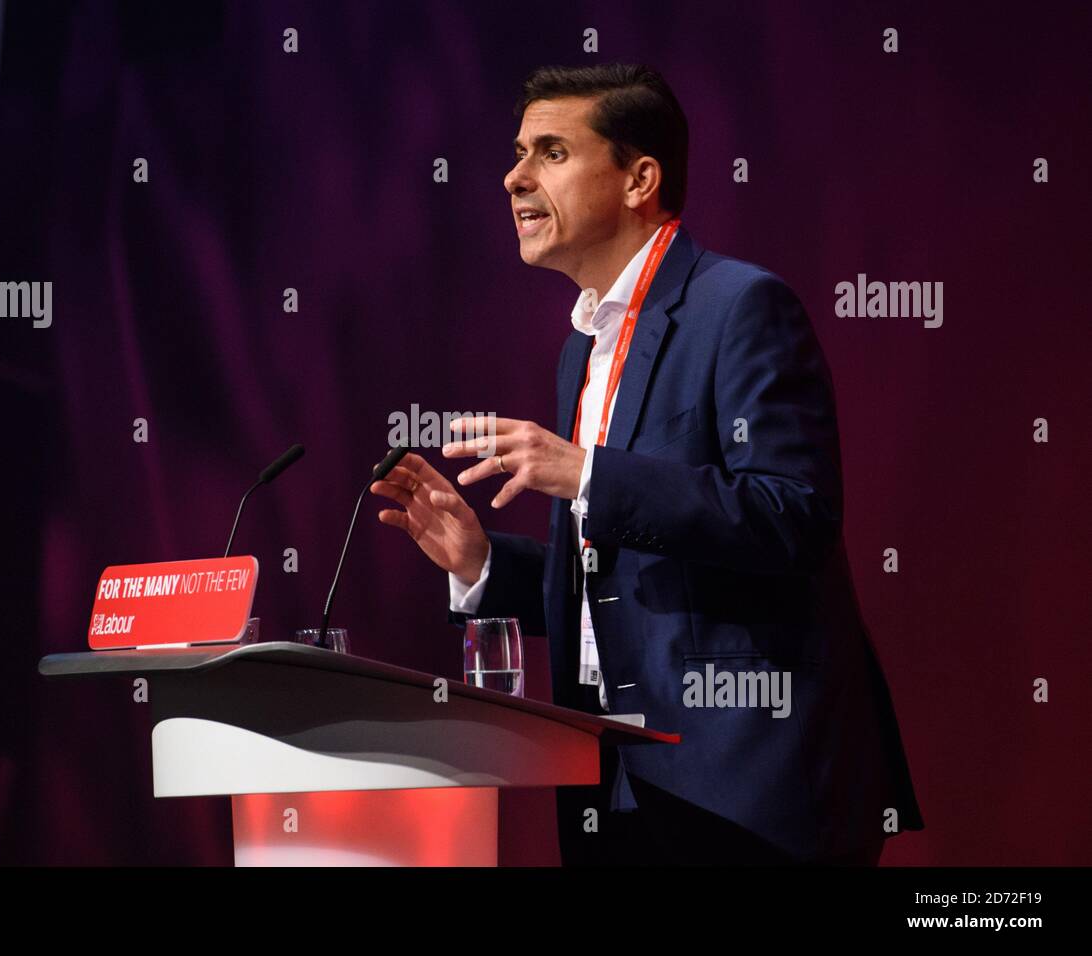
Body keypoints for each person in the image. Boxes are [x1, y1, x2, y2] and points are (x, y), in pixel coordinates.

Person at [371, 63, 924, 865]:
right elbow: (627, 580)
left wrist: (588, 474)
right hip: (615, 780)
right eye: (518, 153)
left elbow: (791, 517)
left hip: (745, 787)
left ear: (639, 178)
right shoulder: (581, 350)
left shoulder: (740, 307)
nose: (514, 177)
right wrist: (486, 564)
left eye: (551, 153)